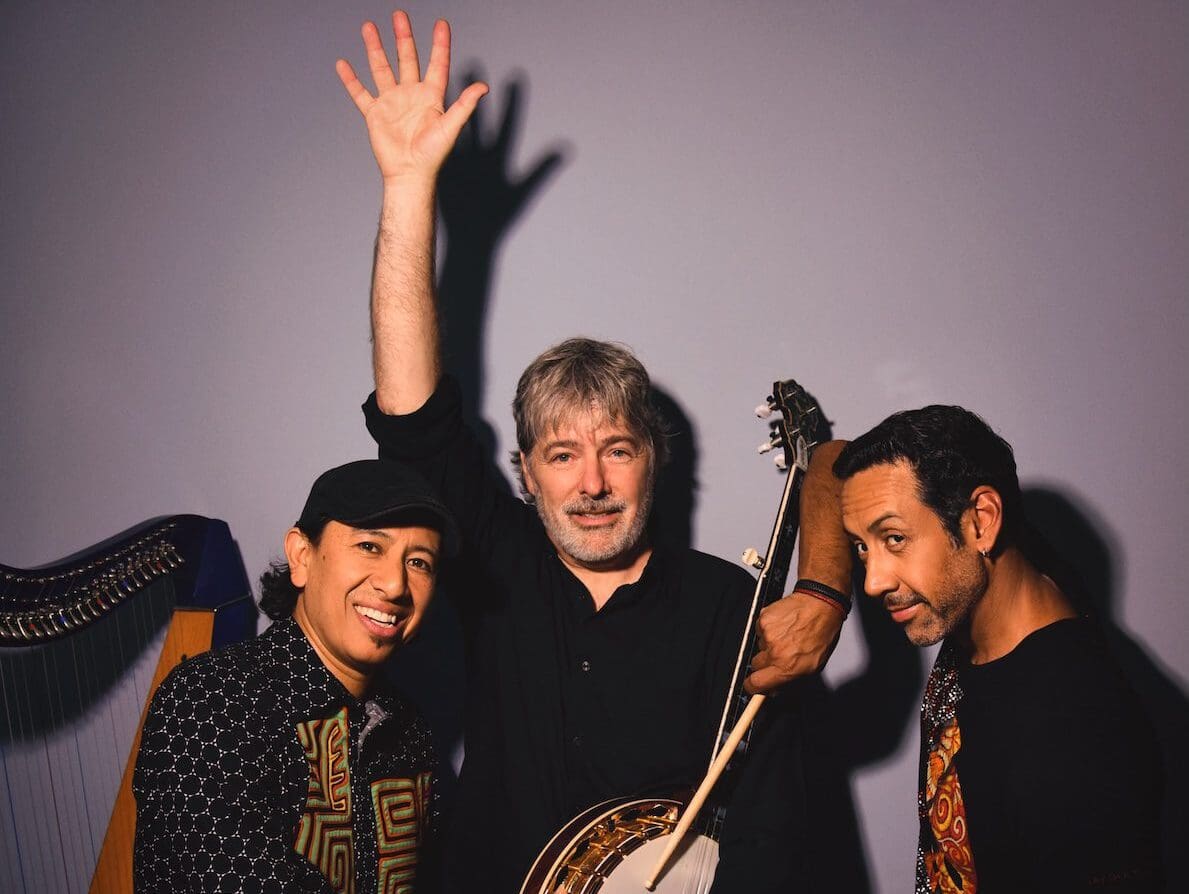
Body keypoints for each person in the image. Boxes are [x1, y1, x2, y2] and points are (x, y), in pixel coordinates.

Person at [335, 11, 854, 891]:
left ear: (655, 458)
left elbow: (772, 826)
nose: (593, 483)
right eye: (561, 455)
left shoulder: (724, 607)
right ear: (525, 474)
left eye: (617, 449)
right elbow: (410, 413)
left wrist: (824, 592)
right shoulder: (494, 564)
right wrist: (408, 188)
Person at [834, 406, 1163, 892]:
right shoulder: (1011, 582)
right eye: (861, 546)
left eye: (894, 538)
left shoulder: (1074, 734)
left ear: (981, 523)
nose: (873, 581)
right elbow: (826, 462)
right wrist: (818, 594)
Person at [133, 459, 460, 893]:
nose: (396, 585)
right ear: (302, 556)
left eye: (419, 562)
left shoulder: (410, 731)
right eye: (369, 546)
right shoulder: (210, 699)